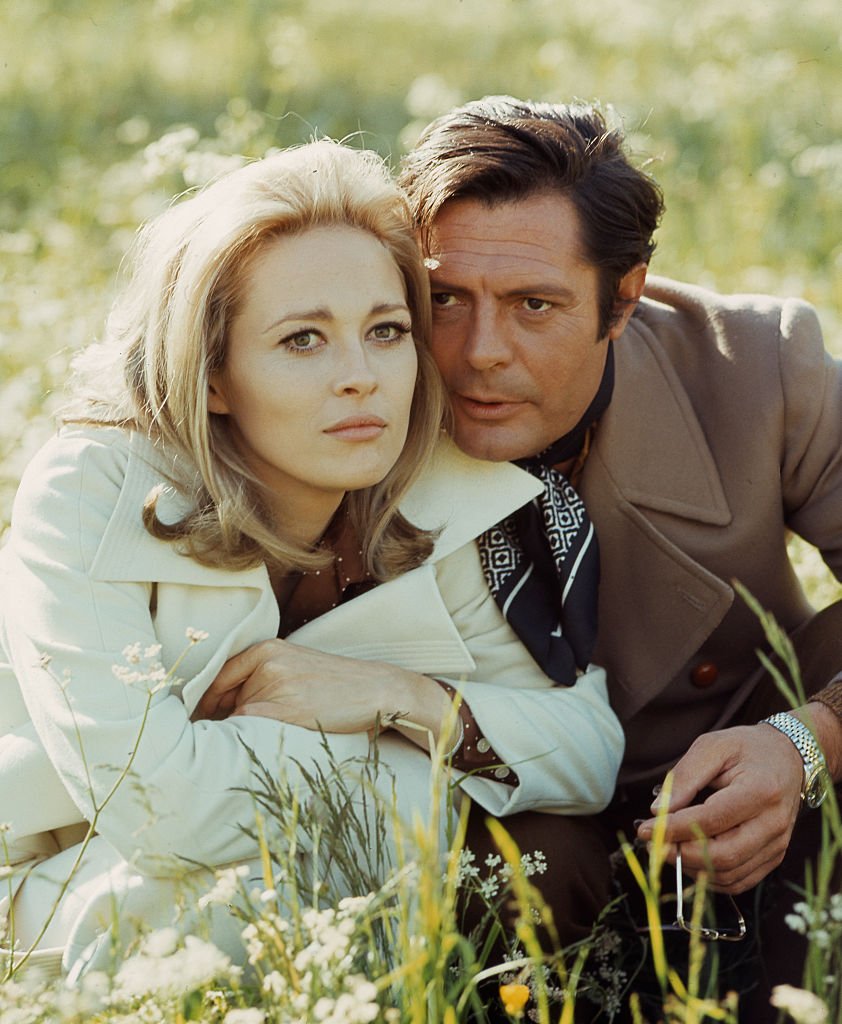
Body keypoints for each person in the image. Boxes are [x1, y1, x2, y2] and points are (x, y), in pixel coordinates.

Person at [0, 139, 623, 981]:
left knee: (549, 861)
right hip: (60, 882)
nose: (360, 377)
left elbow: (587, 749)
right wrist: (430, 779)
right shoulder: (89, 492)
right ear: (213, 373)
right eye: (303, 341)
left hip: (267, 884)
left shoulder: (448, 490)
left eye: (387, 331)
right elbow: (156, 809)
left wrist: (395, 698)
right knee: (273, 904)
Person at [396, 95, 842, 1019]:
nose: (481, 353)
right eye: (445, 298)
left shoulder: (757, 365)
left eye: (534, 305)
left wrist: (807, 743)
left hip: (755, 773)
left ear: (623, 298)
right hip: (517, 816)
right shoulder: (341, 396)